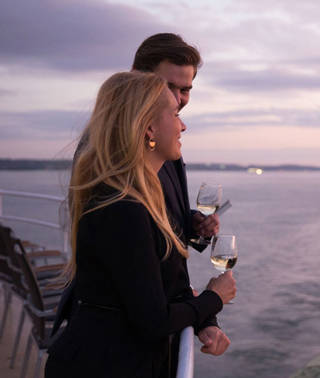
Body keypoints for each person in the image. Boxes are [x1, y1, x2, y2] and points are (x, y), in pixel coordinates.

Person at [53, 33, 230, 364]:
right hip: (110, 346)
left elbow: (159, 233)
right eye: (169, 88)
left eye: (186, 90)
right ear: (138, 76)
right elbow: (127, 236)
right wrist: (212, 299)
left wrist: (193, 224)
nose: (179, 100)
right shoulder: (107, 158)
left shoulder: (165, 152)